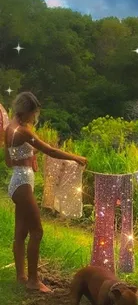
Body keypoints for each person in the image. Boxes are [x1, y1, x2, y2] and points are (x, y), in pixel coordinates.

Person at [4, 91, 87, 293]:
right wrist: (76, 157)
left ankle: (21, 277)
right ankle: (33, 280)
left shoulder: (10, 127)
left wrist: (28, 157)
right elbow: (51, 150)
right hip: (23, 183)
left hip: (18, 181)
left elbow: (8, 161)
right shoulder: (24, 131)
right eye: (34, 114)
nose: (35, 118)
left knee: (21, 233)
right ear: (27, 111)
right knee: (37, 231)